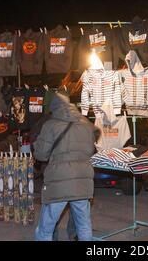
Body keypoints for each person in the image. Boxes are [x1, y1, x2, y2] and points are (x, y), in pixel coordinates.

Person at [34, 92, 99, 241]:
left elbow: (41, 155)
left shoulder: (50, 125)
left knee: (45, 229)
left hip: (59, 182)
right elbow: (91, 149)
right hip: (83, 181)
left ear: (54, 108)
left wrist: (37, 144)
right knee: (83, 226)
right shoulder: (86, 124)